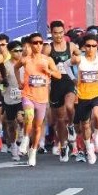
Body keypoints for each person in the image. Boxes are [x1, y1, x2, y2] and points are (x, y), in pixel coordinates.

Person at [19, 33, 64, 167]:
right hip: (28, 94)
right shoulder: (25, 60)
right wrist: (19, 82)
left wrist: (48, 71)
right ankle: (25, 139)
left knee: (38, 127)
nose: (38, 45)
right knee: (28, 115)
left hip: (42, 97)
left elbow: (59, 75)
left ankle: (33, 152)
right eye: (35, 43)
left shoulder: (47, 59)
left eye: (40, 43)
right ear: (30, 44)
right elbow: (16, 68)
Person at [74, 33, 98, 164]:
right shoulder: (79, 59)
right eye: (88, 46)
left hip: (97, 93)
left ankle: (96, 136)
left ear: (97, 47)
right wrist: (73, 78)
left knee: (97, 115)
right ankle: (89, 149)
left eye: (94, 46)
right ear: (84, 47)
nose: (91, 48)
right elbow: (66, 64)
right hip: (82, 95)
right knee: (84, 125)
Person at [47, 21, 80, 162]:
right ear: (51, 33)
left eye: (61, 32)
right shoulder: (48, 49)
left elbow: (80, 58)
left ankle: (71, 125)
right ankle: (63, 146)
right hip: (55, 85)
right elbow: (43, 65)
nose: (59, 36)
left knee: (69, 106)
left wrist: (77, 67)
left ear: (64, 32)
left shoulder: (71, 46)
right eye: (55, 33)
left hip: (69, 82)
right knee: (59, 120)